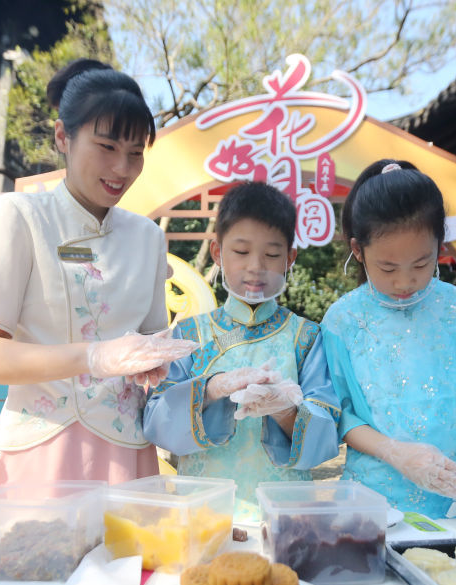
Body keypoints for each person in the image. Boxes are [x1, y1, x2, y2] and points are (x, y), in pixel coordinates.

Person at [0, 60, 196, 488]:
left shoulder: (146, 237)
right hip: (38, 453)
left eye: (136, 153)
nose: (123, 169)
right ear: (62, 137)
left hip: (128, 453)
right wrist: (91, 357)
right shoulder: (19, 216)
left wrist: (172, 370)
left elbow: (152, 350)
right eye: (106, 146)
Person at [143, 181, 341, 519]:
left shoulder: (307, 338)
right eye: (241, 251)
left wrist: (283, 410)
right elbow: (155, 421)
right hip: (205, 512)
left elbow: (327, 438)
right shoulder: (190, 333)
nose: (255, 266)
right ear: (218, 252)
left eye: (272, 254)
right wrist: (211, 389)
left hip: (284, 516)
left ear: (290, 258)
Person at [319, 160, 456, 517]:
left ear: (440, 245)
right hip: (369, 501)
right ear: (358, 251)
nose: (405, 282)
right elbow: (344, 415)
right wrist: (396, 452)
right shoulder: (342, 320)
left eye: (421, 264)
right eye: (387, 268)